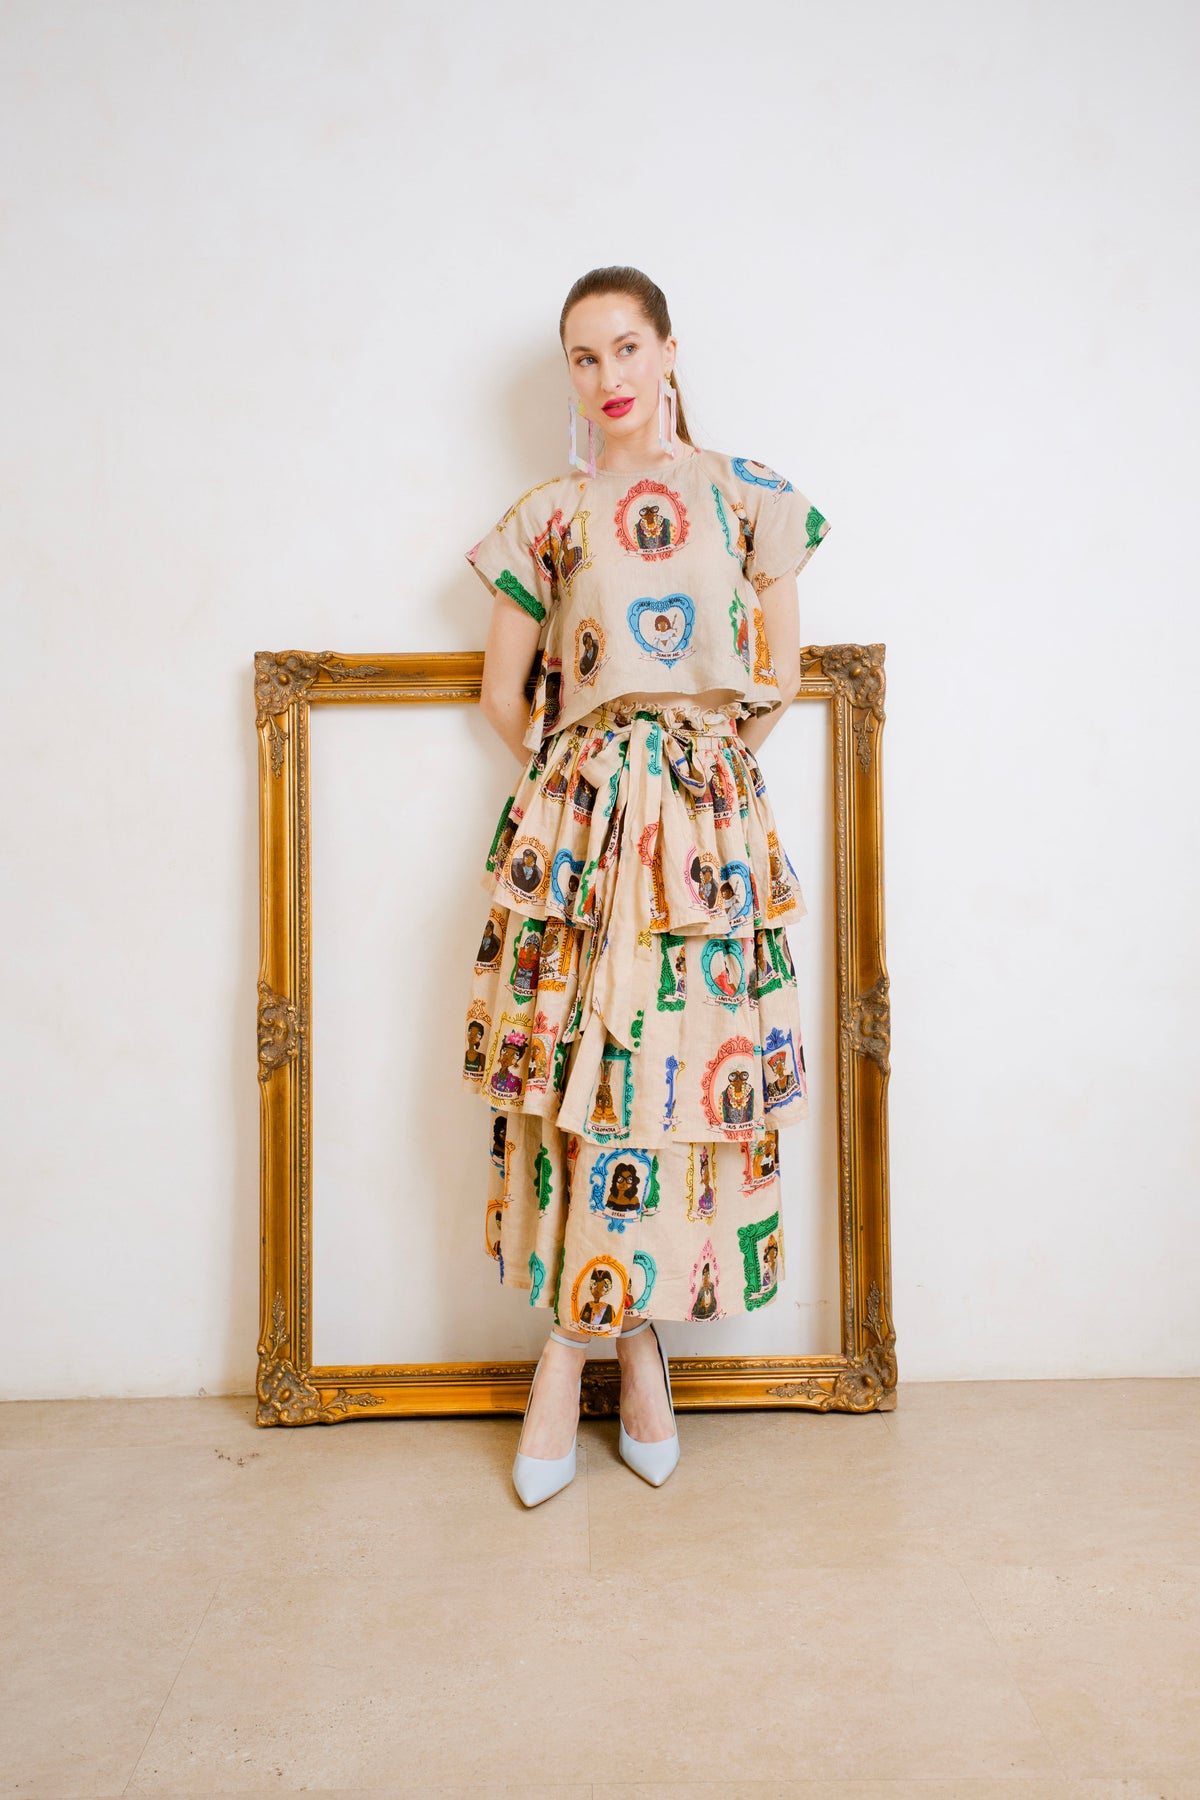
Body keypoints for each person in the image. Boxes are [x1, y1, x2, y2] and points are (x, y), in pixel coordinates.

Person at [461, 264, 832, 1505]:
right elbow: (504, 697)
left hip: (706, 844)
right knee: (580, 1083)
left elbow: (778, 677)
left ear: (669, 350)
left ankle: (596, 1350)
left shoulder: (748, 497)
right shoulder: (549, 515)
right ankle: (603, 1352)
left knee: (672, 1090)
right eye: (584, 356)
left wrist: (699, 784)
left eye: (626, 347)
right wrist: (591, 790)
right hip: (583, 841)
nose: (607, 375)